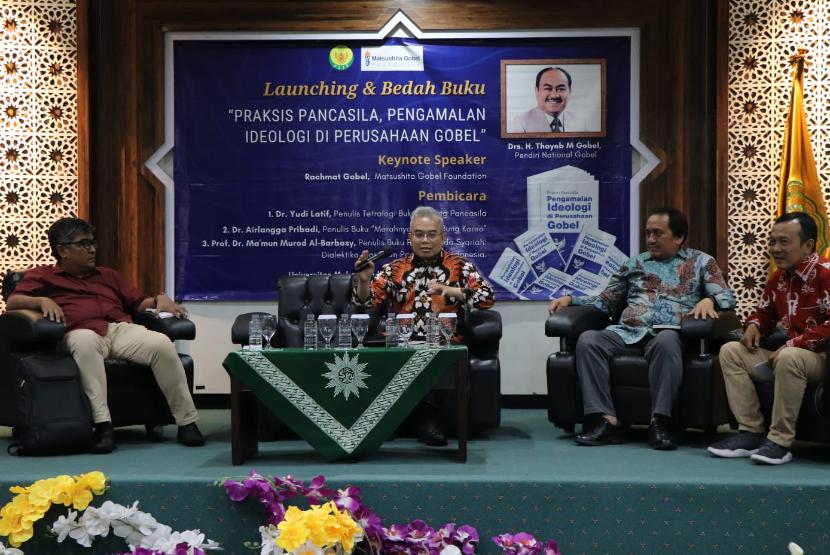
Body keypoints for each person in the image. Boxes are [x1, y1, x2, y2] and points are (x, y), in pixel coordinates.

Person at [6, 217, 205, 454]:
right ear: (62, 251)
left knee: (160, 343)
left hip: (117, 328)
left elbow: (138, 303)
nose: (91, 249)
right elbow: (13, 302)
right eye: (83, 244)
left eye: (92, 243)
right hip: (78, 332)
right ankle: (103, 426)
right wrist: (41, 299)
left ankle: (187, 422)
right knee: (85, 342)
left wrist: (159, 298)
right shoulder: (43, 276)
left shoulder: (109, 275)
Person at [548, 207, 735, 450]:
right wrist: (571, 300)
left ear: (678, 237)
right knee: (589, 340)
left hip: (671, 333)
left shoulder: (701, 262)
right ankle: (605, 420)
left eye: (658, 233)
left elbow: (727, 299)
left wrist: (710, 300)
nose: (650, 239)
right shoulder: (634, 263)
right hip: (628, 331)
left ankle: (660, 421)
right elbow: (605, 300)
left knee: (666, 340)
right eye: (648, 233)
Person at [353, 206, 494, 446]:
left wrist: (451, 290)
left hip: (442, 342)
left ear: (443, 237)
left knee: (438, 356)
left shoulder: (459, 266)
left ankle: (428, 422)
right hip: (400, 343)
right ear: (410, 237)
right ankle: (385, 421)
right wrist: (364, 281)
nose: (425, 240)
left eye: (431, 234)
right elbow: (365, 301)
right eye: (419, 234)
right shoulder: (394, 269)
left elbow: (486, 299)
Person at [708, 212, 830, 465]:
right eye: (772, 242)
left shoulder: (826, 274)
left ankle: (780, 442)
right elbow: (765, 312)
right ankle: (751, 432)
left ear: (808, 245)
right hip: (790, 354)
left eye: (784, 242)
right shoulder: (778, 278)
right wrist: (755, 325)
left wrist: (792, 344)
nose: (775, 249)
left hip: (821, 358)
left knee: (789, 356)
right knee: (731, 350)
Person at [508, 66, 588, 133]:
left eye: (561, 89)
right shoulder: (521, 123)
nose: (554, 95)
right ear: (537, 91)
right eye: (548, 89)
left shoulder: (580, 123)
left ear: (570, 91)